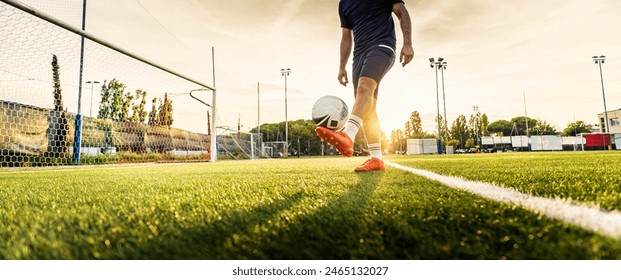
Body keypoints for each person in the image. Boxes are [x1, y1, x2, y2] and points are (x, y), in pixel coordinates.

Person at [316, 0, 413, 172]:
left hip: (382, 46)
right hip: (359, 55)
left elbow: (401, 12)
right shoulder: (344, 4)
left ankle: (348, 135)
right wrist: (341, 67)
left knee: (364, 88)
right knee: (366, 106)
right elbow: (346, 37)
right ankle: (376, 159)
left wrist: (408, 43)